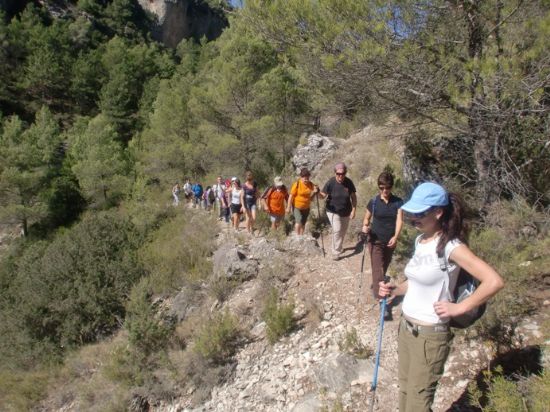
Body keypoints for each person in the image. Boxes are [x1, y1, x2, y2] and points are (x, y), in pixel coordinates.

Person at [378, 182, 504, 412]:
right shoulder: (420, 240)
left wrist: (461, 307)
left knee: (417, 403)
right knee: (405, 391)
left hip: (430, 336)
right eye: (411, 212)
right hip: (406, 329)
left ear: (438, 212)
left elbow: (494, 281)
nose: (414, 217)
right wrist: (395, 290)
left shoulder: (451, 246)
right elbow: (416, 283)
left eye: (420, 213)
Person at [361, 171, 403, 320]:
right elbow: (366, 219)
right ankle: (383, 302)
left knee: (383, 267)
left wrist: (396, 237)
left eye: (388, 187)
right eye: (382, 187)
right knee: (378, 270)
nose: (385, 191)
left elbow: (399, 220)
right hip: (375, 241)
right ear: (378, 187)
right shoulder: (373, 202)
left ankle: (378, 285)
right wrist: (365, 227)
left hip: (390, 242)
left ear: (391, 187)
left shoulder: (398, 202)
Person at [319, 162, 357, 260]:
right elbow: (322, 196)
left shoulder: (349, 182)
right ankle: (335, 251)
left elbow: (353, 197)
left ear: (345, 173)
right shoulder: (330, 182)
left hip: (346, 211)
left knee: (343, 231)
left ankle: (339, 247)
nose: (340, 176)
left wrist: (353, 210)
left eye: (343, 173)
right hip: (332, 211)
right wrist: (317, 193)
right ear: (335, 173)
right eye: (338, 173)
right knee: (337, 229)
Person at [286, 168, 319, 236]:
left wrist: (316, 191)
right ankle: (297, 237)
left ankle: (301, 236)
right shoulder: (297, 184)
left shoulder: (310, 184)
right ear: (301, 177)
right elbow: (291, 197)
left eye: (307, 178)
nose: (306, 179)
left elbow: (313, 195)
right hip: (297, 207)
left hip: (306, 207)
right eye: (304, 178)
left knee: (303, 223)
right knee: (298, 221)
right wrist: (288, 207)